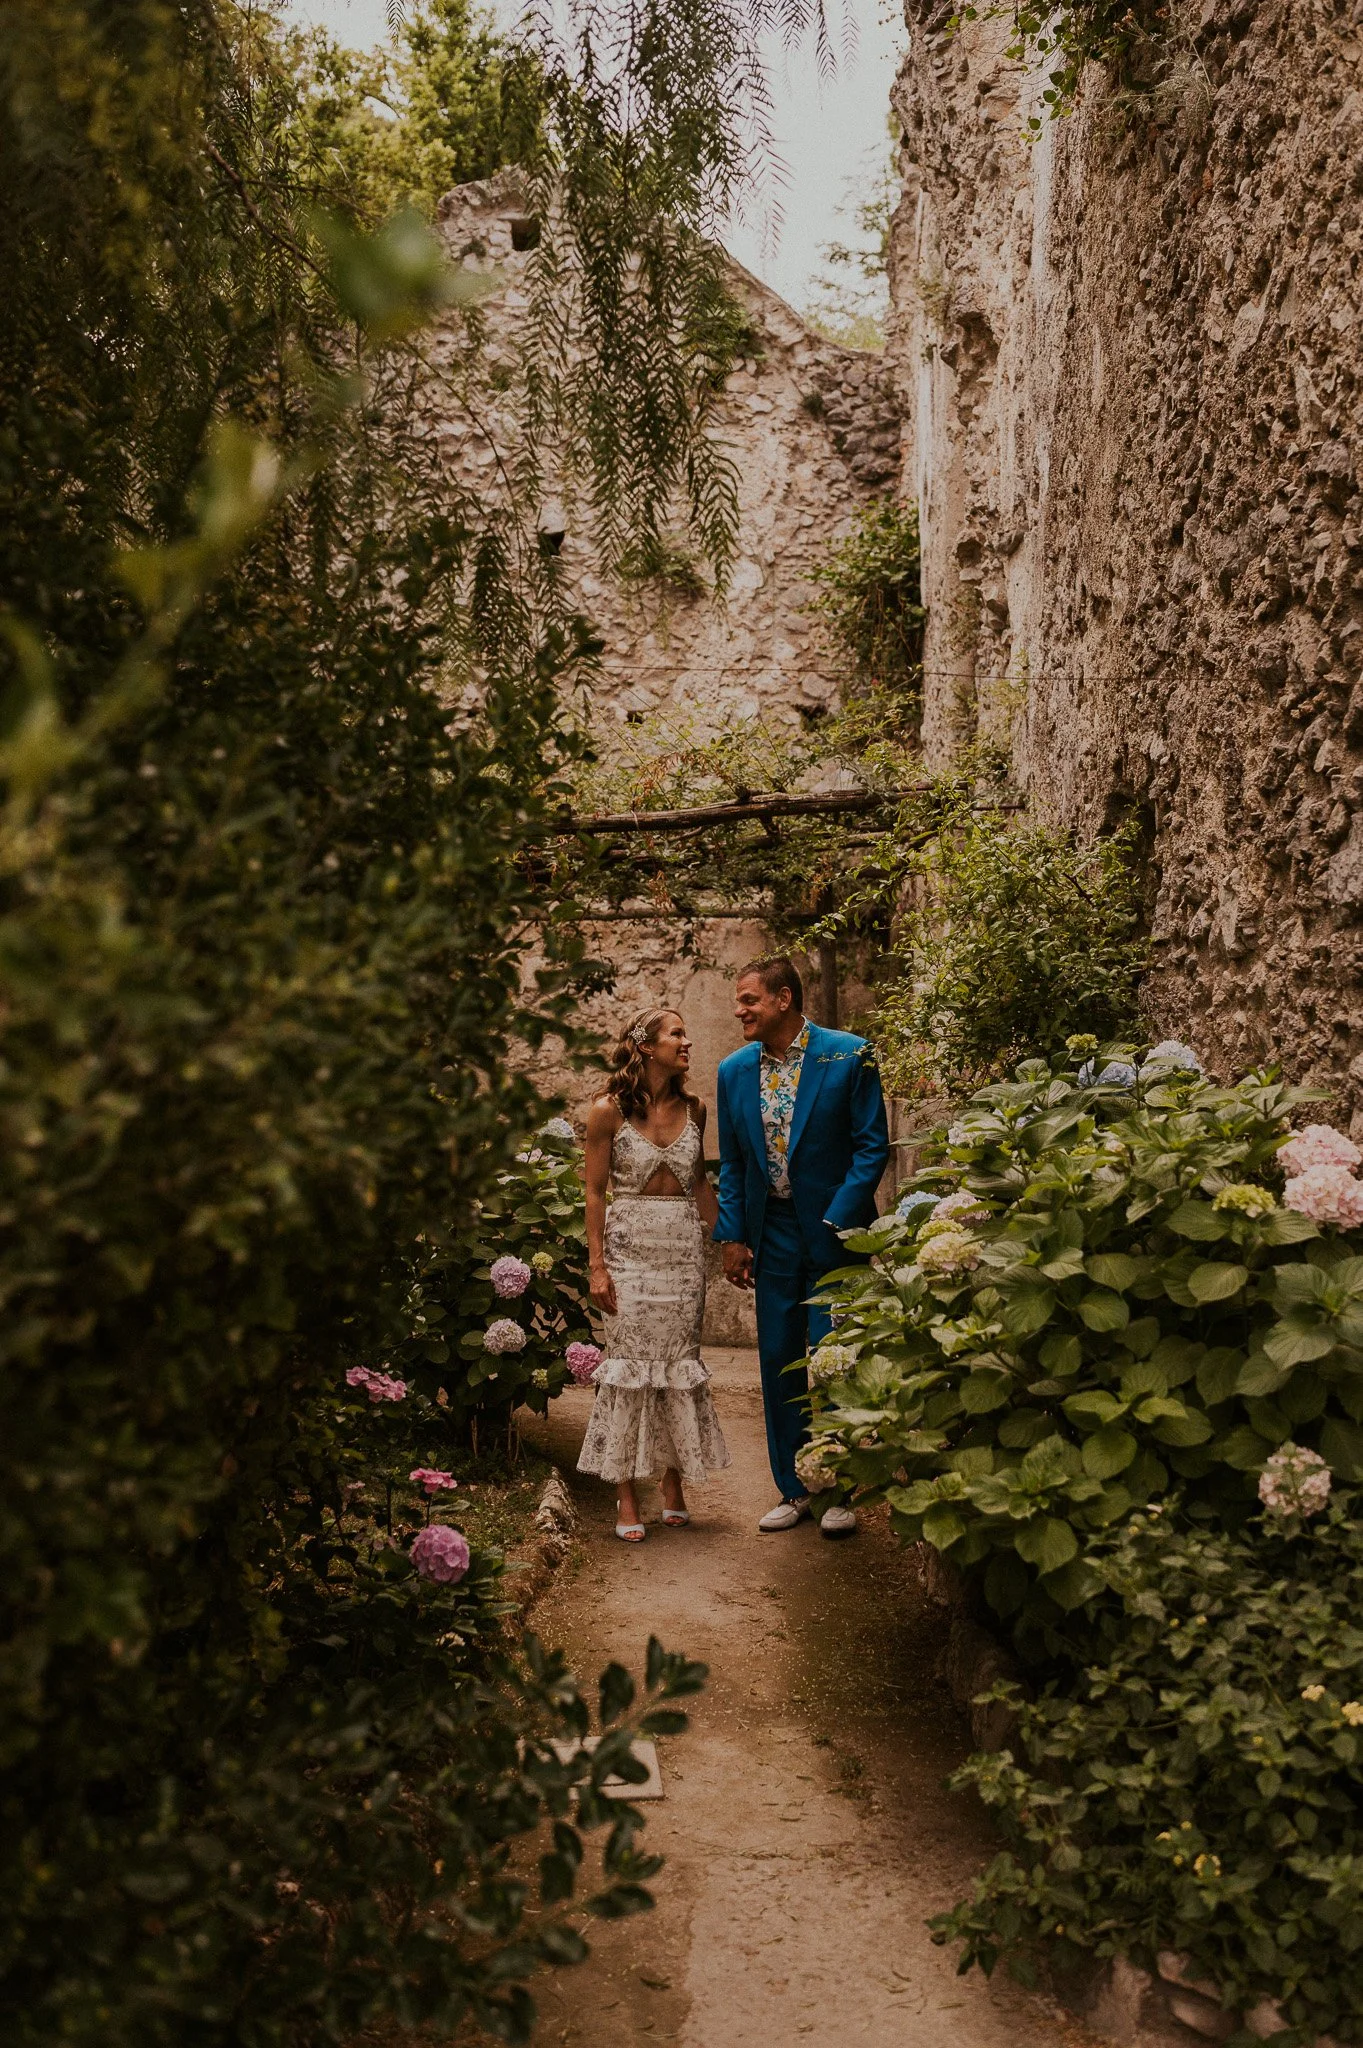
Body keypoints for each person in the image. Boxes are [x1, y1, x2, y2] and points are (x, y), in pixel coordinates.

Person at [715, 956, 889, 1537]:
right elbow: (735, 1163)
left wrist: (839, 1217)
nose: (739, 1010)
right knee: (778, 1360)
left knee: (834, 1358)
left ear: (783, 999)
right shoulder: (734, 1071)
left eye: (748, 1000)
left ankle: (839, 1489)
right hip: (774, 1235)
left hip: (837, 1232)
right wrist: (735, 1235)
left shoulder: (849, 1053)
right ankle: (793, 1489)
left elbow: (872, 1147)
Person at [578, 1008, 731, 1539]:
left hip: (683, 1254)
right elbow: (595, 1192)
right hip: (628, 1253)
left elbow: (701, 1187)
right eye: (676, 1035)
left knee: (677, 1370)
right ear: (645, 1047)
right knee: (627, 1373)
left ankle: (672, 1485)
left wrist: (732, 1242)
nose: (687, 1042)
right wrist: (597, 1267)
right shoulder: (607, 1111)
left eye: (686, 1033)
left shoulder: (696, 1108)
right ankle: (625, 1495)